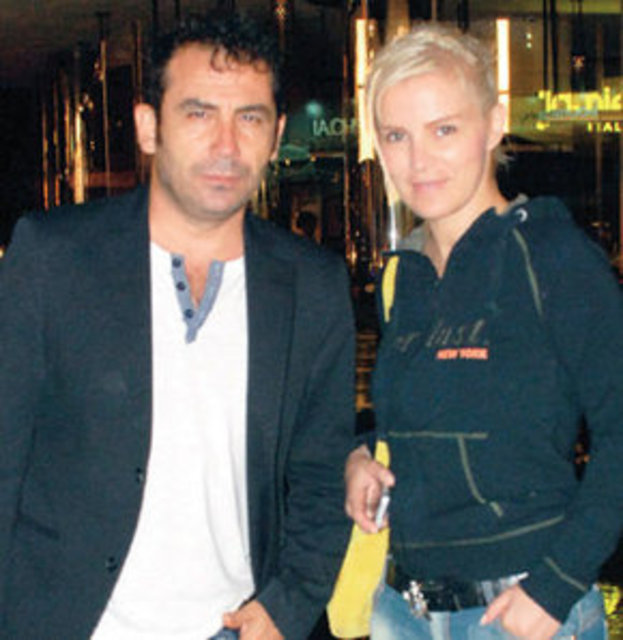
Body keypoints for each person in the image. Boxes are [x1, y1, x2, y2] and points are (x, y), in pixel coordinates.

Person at [0, 14, 355, 640]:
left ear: (276, 135)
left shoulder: (312, 284)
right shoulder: (55, 257)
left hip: (234, 626)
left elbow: (322, 475)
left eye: (249, 118)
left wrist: (289, 604)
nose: (226, 145)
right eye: (198, 113)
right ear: (148, 127)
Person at [345, 22, 623, 640]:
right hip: (404, 609)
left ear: (493, 125)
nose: (418, 160)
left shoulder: (552, 256)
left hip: (519, 609)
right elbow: (418, 419)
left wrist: (557, 584)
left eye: (444, 129)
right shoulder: (403, 274)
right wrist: (361, 455)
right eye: (397, 135)